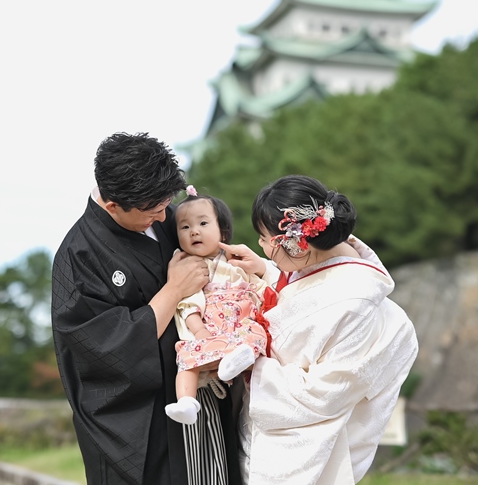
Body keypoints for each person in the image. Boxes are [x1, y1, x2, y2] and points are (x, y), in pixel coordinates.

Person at [50, 133, 241, 485]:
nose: (160, 217)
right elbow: (100, 348)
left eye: (164, 205)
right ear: (112, 205)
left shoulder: (168, 216)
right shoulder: (79, 256)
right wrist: (173, 291)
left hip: (198, 395)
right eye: (151, 211)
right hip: (137, 420)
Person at [220, 174, 419, 485]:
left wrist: (253, 367)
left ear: (295, 241)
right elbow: (307, 288)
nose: (259, 244)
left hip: (297, 457)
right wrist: (265, 267)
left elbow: (326, 393)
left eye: (263, 238)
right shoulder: (333, 268)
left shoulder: (355, 300)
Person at [164, 186, 270, 426]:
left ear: (222, 231)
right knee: (187, 358)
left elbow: (261, 289)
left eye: (202, 224)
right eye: (185, 227)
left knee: (255, 334)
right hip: (208, 329)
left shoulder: (236, 263)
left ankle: (235, 362)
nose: (194, 232)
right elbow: (187, 303)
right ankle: (186, 402)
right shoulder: (188, 267)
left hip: (238, 327)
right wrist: (198, 329)